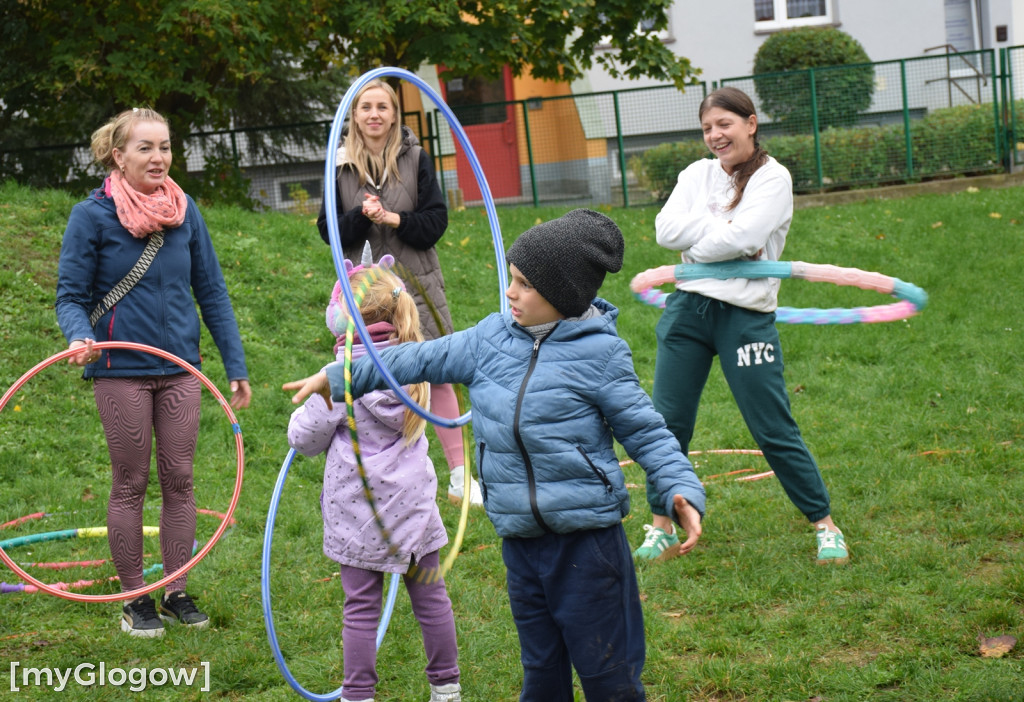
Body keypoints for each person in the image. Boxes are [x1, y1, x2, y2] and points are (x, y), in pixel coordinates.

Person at [285, 209, 706, 702]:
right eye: (511, 278)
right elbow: (415, 358)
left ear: (563, 294)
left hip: (587, 544)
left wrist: (681, 487)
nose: (510, 292)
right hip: (521, 543)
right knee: (541, 672)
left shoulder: (601, 355)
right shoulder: (490, 339)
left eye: (524, 284)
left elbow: (648, 433)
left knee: (608, 676)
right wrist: (340, 376)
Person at [631, 86, 848, 566]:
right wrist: (725, 235)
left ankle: (825, 524)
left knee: (771, 426)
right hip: (687, 311)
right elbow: (666, 231)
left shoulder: (773, 178)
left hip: (745, 317)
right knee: (666, 425)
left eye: (724, 124)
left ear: (751, 123)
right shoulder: (696, 175)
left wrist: (708, 240)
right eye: (707, 127)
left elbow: (745, 237)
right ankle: (661, 526)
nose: (715, 135)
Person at [55, 108, 252, 637]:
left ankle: (175, 590)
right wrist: (78, 335)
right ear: (118, 155)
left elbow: (212, 292)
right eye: (145, 147)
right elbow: (70, 296)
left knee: (180, 479)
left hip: (182, 369)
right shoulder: (92, 216)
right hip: (121, 369)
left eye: (164, 146)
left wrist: (235, 363)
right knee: (131, 482)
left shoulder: (185, 212)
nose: (159, 157)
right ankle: (134, 598)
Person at [287, 253, 462, 702]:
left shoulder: (340, 379)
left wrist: (305, 414)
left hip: (358, 516)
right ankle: (447, 687)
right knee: (432, 599)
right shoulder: (415, 366)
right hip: (415, 510)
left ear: (343, 318)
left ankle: (358, 694)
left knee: (362, 608)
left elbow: (304, 439)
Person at [316, 78, 481, 508]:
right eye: (365, 107)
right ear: (354, 116)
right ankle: (381, 476)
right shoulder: (339, 164)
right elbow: (328, 231)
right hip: (365, 293)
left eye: (382, 107)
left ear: (394, 114)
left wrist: (393, 219)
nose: (374, 114)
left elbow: (436, 223)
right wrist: (360, 215)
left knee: (436, 370)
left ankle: (460, 477)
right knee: (370, 379)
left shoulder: (416, 158)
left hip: (416, 283)